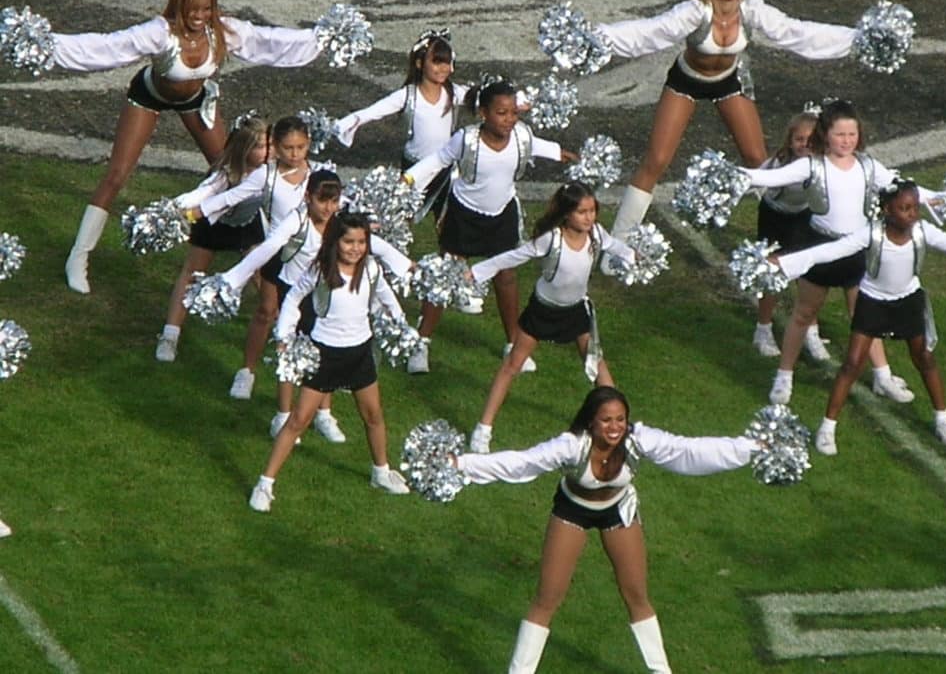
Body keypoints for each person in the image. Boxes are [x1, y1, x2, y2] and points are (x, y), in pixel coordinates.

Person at [454, 386, 759, 673]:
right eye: (606, 420)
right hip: (572, 510)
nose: (615, 427)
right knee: (548, 597)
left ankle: (661, 670)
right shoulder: (572, 445)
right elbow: (520, 463)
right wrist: (461, 464)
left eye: (620, 419)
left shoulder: (638, 440)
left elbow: (691, 450)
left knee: (636, 594)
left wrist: (753, 448)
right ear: (591, 421)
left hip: (617, 510)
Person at [55, 0, 328, 294]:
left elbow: (267, 41)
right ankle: (78, 257)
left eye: (206, 10)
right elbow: (109, 45)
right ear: (178, 7)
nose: (199, 18)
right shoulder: (159, 32)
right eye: (192, 11)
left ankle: (253, 252)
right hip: (149, 96)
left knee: (235, 173)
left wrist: (322, 38)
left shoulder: (221, 31)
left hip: (196, 101)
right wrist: (48, 45)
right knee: (117, 174)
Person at [594, 0, 857, 247]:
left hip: (729, 82)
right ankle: (619, 243)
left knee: (758, 160)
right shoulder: (694, 12)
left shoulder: (752, 12)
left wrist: (856, 39)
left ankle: (787, 229)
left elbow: (798, 32)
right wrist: (597, 37)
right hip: (686, 82)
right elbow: (650, 31)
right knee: (656, 160)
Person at [772, 179, 946, 455]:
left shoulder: (922, 232)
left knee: (924, 358)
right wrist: (784, 263)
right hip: (873, 303)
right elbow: (828, 251)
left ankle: (943, 419)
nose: (911, 214)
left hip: (908, 302)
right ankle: (827, 428)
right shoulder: (871, 234)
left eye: (914, 208)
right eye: (904, 209)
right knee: (852, 363)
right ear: (888, 210)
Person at [743, 100, 938, 405]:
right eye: (840, 135)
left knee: (866, 317)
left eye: (852, 134)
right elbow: (768, 178)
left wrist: (937, 197)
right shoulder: (811, 165)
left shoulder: (868, 165)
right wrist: (734, 175)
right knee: (804, 313)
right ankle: (784, 377)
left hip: (858, 251)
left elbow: (902, 187)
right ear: (825, 135)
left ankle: (883, 377)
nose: (847, 141)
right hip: (820, 246)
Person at [220, 170, 411, 441]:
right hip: (293, 292)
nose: (328, 207)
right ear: (308, 197)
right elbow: (271, 246)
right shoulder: (297, 220)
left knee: (325, 349)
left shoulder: (337, 223)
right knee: (290, 353)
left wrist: (405, 265)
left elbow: (373, 244)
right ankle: (283, 415)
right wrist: (235, 276)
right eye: (322, 200)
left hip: (322, 292)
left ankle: (323, 414)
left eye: (333, 201)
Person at [402, 78, 577, 375]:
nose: (509, 120)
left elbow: (537, 145)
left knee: (506, 277)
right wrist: (408, 180)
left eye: (513, 113)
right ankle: (421, 343)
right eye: (501, 113)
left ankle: (513, 344)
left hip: (502, 215)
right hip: (464, 216)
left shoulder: (521, 136)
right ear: (483, 113)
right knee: (445, 278)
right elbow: (438, 159)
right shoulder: (466, 140)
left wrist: (562, 153)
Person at [249, 212, 411, 512]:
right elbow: (294, 298)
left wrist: (402, 325)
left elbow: (388, 299)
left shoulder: (372, 270)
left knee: (373, 416)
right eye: (349, 241)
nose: (355, 248)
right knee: (298, 420)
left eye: (361, 242)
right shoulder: (321, 270)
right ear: (335, 242)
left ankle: (381, 472)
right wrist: (284, 334)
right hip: (324, 354)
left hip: (359, 353)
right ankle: (265, 483)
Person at [465, 182, 635, 453]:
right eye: (582, 212)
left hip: (576, 310)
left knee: (596, 362)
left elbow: (616, 246)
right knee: (513, 364)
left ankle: (623, 426)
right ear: (567, 214)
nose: (589, 217)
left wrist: (632, 256)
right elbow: (515, 256)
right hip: (543, 309)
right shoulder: (551, 239)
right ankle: (483, 429)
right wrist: (479, 270)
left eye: (592, 211)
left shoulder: (596, 235)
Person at [177, 116, 314, 399]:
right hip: (275, 254)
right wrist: (194, 212)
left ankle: (318, 404)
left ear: (308, 145)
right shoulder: (267, 175)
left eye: (300, 147)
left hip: (310, 258)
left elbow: (338, 205)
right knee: (266, 312)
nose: (294, 154)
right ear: (275, 146)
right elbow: (232, 196)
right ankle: (246, 372)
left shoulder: (318, 173)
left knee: (312, 323)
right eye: (287, 147)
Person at [155, 113, 270, 363]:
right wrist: (174, 209)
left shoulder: (270, 172)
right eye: (260, 146)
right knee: (193, 273)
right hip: (213, 224)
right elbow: (202, 193)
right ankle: (170, 335)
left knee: (264, 278)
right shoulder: (225, 174)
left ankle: (284, 332)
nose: (267, 151)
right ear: (244, 148)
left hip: (247, 226)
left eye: (268, 145)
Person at [333, 29, 468, 223]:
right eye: (437, 62)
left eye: (447, 62)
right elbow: (373, 111)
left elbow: (484, 97)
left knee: (448, 222)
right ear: (420, 63)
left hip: (445, 168)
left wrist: (518, 100)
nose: (443, 68)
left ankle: (448, 253)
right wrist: (343, 124)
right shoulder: (407, 96)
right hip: (415, 167)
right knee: (402, 218)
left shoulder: (453, 93)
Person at [752, 110, 830, 360]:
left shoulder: (823, 163)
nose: (804, 144)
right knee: (772, 273)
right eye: (799, 139)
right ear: (790, 140)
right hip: (774, 217)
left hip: (803, 217)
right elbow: (757, 178)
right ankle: (762, 329)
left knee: (808, 274)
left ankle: (811, 331)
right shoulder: (779, 162)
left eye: (810, 139)